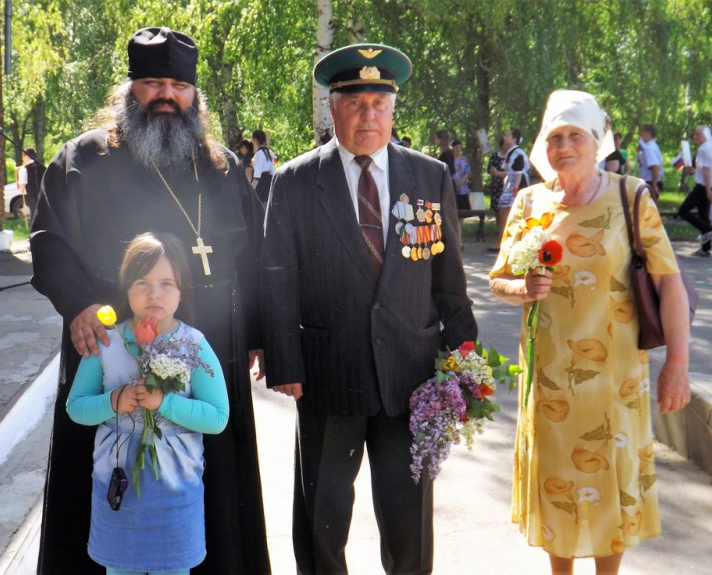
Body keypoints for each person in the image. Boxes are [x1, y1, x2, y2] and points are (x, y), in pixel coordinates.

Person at [30, 27, 271, 575]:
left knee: (215, 484)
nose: (167, 95)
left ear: (195, 95)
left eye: (179, 86)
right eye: (153, 83)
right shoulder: (82, 159)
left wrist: (257, 335)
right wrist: (79, 304)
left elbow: (256, 255)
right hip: (109, 335)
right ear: (129, 89)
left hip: (211, 339)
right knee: (102, 473)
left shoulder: (220, 167)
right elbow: (48, 242)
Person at [261, 43, 478, 574]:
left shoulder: (428, 176)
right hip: (328, 374)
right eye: (355, 104)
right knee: (324, 514)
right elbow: (276, 279)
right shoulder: (294, 181)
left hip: (411, 375)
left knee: (408, 518)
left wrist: (464, 361)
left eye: (379, 104)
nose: (368, 116)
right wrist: (284, 362)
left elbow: (449, 278)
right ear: (333, 109)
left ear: (393, 110)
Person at [489, 90, 691, 575]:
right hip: (549, 378)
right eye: (554, 136)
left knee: (610, 482)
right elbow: (499, 279)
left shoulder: (631, 196)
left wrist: (677, 366)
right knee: (557, 480)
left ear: (597, 140)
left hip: (616, 381)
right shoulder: (529, 202)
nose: (564, 147)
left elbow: (669, 283)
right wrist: (521, 288)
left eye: (575, 135)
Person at [66, 232, 229, 575]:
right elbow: (76, 406)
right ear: (126, 288)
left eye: (167, 284)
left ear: (183, 290)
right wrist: (113, 401)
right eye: (142, 282)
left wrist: (164, 403)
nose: (155, 293)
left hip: (176, 494)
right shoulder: (107, 341)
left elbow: (217, 417)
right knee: (120, 568)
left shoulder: (193, 344)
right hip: (118, 492)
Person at [678, 125, 712, 257]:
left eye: (698, 134)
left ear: (705, 135)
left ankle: (709, 230)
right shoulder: (709, 148)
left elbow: (707, 172)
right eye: (694, 134)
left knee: (683, 210)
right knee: (703, 215)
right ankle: (706, 248)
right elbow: (703, 170)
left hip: (703, 187)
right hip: (708, 185)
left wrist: (708, 190)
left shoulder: (703, 149)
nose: (695, 136)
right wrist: (692, 171)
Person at [491, 128, 530, 251]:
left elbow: (518, 172)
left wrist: (516, 188)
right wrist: (497, 173)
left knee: (508, 212)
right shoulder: (510, 152)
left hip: (516, 185)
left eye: (508, 136)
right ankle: (504, 241)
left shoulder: (518, 153)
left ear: (514, 139)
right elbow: (510, 172)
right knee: (503, 212)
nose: (505, 138)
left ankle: (505, 242)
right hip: (510, 184)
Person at [17, 147, 44, 218]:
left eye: (23, 156)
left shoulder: (24, 169)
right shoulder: (42, 167)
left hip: (33, 198)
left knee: (35, 218)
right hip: (44, 198)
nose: (22, 158)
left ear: (27, 156)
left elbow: (21, 187)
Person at [637, 124, 663, 198]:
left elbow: (655, 167)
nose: (640, 135)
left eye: (642, 133)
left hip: (650, 182)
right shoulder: (654, 146)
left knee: (648, 204)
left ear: (648, 134)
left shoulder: (648, 149)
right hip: (652, 181)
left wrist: (654, 185)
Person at [251, 129, 274, 204]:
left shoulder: (258, 154)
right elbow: (272, 172)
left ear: (255, 140)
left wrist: (251, 191)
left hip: (260, 187)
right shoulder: (270, 152)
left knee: (261, 208)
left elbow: (257, 176)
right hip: (269, 184)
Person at [487, 136, 507, 218]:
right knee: (497, 208)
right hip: (496, 186)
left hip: (506, 186)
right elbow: (489, 170)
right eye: (505, 145)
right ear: (501, 145)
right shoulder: (494, 156)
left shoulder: (510, 157)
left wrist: (500, 173)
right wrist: (492, 171)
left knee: (505, 208)